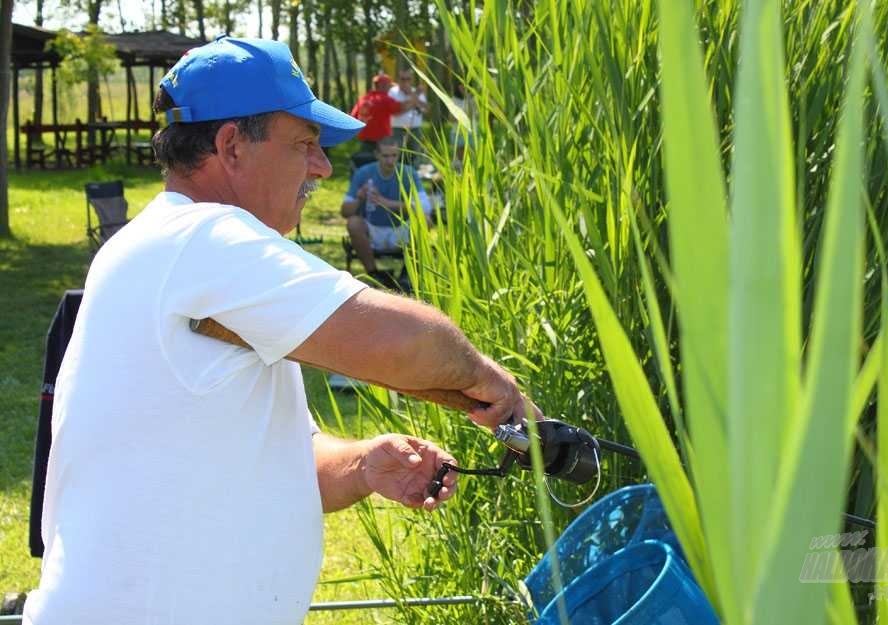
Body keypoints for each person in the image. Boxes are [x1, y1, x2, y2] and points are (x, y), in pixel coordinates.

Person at [23, 36, 541, 625]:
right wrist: (494, 385)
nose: (321, 166)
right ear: (231, 146)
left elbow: (288, 459)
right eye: (304, 144)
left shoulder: (190, 259)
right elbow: (398, 343)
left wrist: (366, 463)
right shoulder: (203, 237)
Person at [341, 136, 431, 282]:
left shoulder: (409, 173)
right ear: (377, 155)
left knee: (424, 220)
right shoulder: (364, 173)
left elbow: (425, 208)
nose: (390, 161)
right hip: (372, 229)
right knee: (353, 223)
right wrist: (359, 198)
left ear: (399, 155)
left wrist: (387, 203)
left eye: (394, 155)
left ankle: (407, 274)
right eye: (385, 156)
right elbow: (345, 211)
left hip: (401, 229)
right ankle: (373, 273)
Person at [349, 73, 408, 155]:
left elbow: (353, 117)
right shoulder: (385, 99)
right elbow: (400, 108)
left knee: (365, 161)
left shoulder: (363, 99)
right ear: (383, 86)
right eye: (389, 86)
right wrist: (414, 99)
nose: (389, 88)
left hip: (364, 139)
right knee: (382, 163)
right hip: (382, 140)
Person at [388, 68, 429, 164]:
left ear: (412, 80)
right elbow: (395, 112)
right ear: (398, 79)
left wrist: (412, 95)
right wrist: (415, 98)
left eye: (408, 79)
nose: (405, 81)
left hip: (415, 129)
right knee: (396, 155)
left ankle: (414, 175)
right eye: (403, 79)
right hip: (397, 129)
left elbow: (426, 109)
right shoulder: (392, 92)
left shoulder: (416, 91)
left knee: (415, 155)